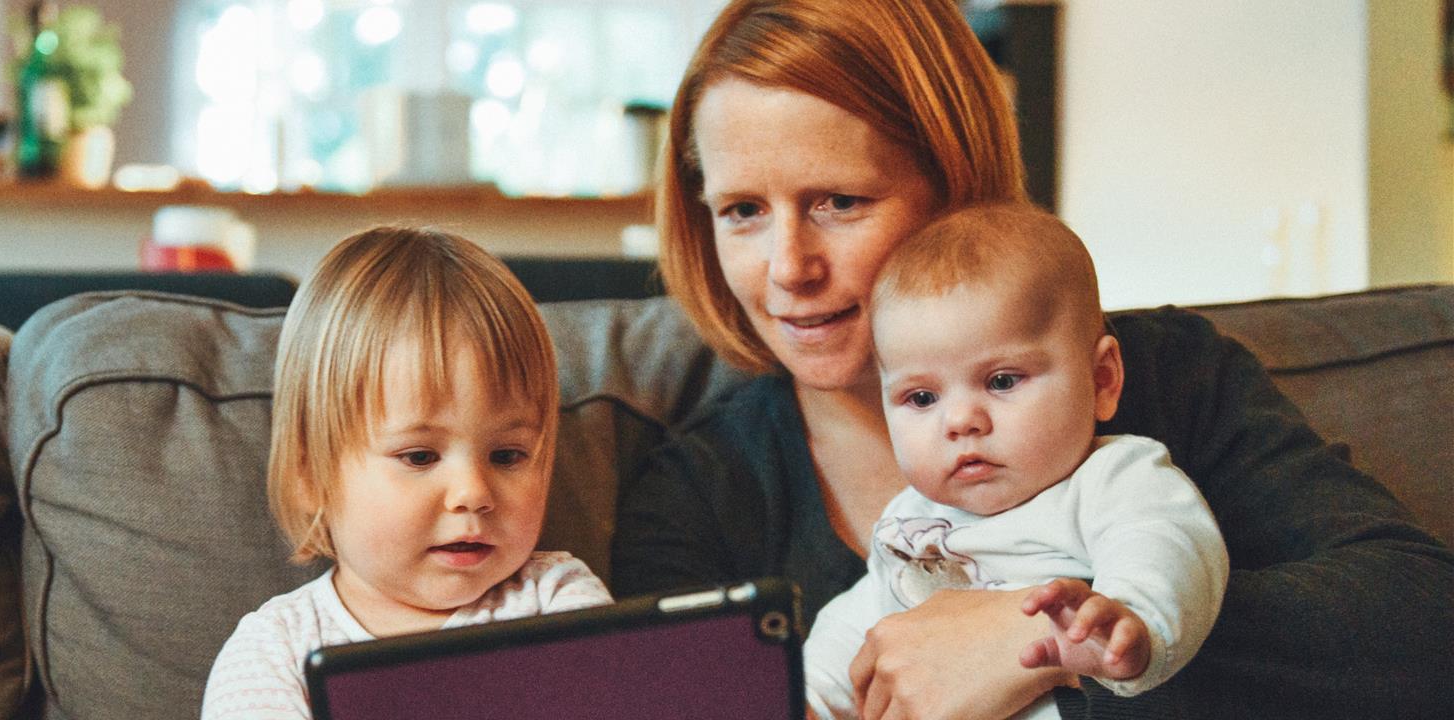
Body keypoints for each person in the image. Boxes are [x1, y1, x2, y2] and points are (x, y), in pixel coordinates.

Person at [609, 0, 1454, 717]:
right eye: (744, 210)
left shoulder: (1166, 377)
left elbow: (1421, 621)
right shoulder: (695, 497)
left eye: (840, 201)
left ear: (955, 182)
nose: (790, 268)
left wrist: (1047, 641)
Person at [802, 203, 1228, 720]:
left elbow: (1167, 547)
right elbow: (861, 623)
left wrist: (1130, 626)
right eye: (920, 398)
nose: (960, 421)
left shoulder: (1112, 480)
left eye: (1002, 381)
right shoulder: (908, 519)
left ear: (1102, 381)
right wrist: (808, 696)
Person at [200, 226, 612, 719]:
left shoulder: (559, 601)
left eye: (507, 456)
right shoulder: (276, 652)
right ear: (310, 476)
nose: (472, 494)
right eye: (419, 457)